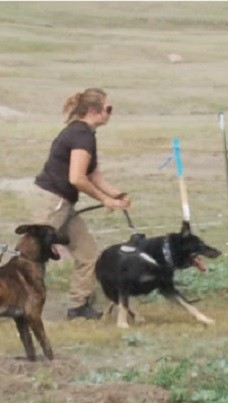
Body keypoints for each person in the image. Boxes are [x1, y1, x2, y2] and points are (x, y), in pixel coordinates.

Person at [31, 88, 131, 320]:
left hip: (64, 204)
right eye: (109, 109)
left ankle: (78, 307)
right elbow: (77, 178)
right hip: (51, 201)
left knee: (87, 253)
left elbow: (92, 173)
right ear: (95, 111)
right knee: (33, 257)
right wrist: (105, 200)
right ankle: (12, 301)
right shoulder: (80, 135)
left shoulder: (87, 134)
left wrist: (116, 195)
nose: (110, 113)